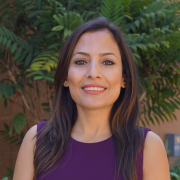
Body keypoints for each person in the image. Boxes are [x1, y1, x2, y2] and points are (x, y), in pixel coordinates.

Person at [13, 17, 170, 180]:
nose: (93, 72)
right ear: (66, 77)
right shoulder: (36, 141)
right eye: (81, 61)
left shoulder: (147, 147)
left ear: (124, 78)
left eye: (108, 62)